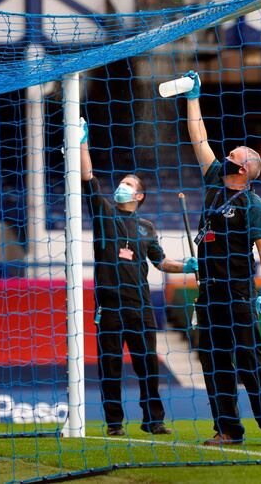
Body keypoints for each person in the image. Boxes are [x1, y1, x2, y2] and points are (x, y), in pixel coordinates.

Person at [181, 71, 261, 446]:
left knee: (249, 360)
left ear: (243, 170)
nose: (224, 156)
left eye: (232, 157)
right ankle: (227, 428)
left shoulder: (252, 204)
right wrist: (193, 97)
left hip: (239, 294)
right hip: (208, 294)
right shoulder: (213, 181)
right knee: (214, 364)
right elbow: (200, 138)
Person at [79, 118, 199, 436]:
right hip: (109, 305)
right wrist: (82, 143)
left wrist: (187, 266)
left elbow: (161, 263)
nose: (123, 186)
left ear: (140, 196)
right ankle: (114, 423)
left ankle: (153, 419)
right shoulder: (104, 214)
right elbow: (87, 178)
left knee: (148, 364)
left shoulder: (147, 228)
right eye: (122, 182)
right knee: (110, 366)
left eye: (129, 184)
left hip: (141, 306)